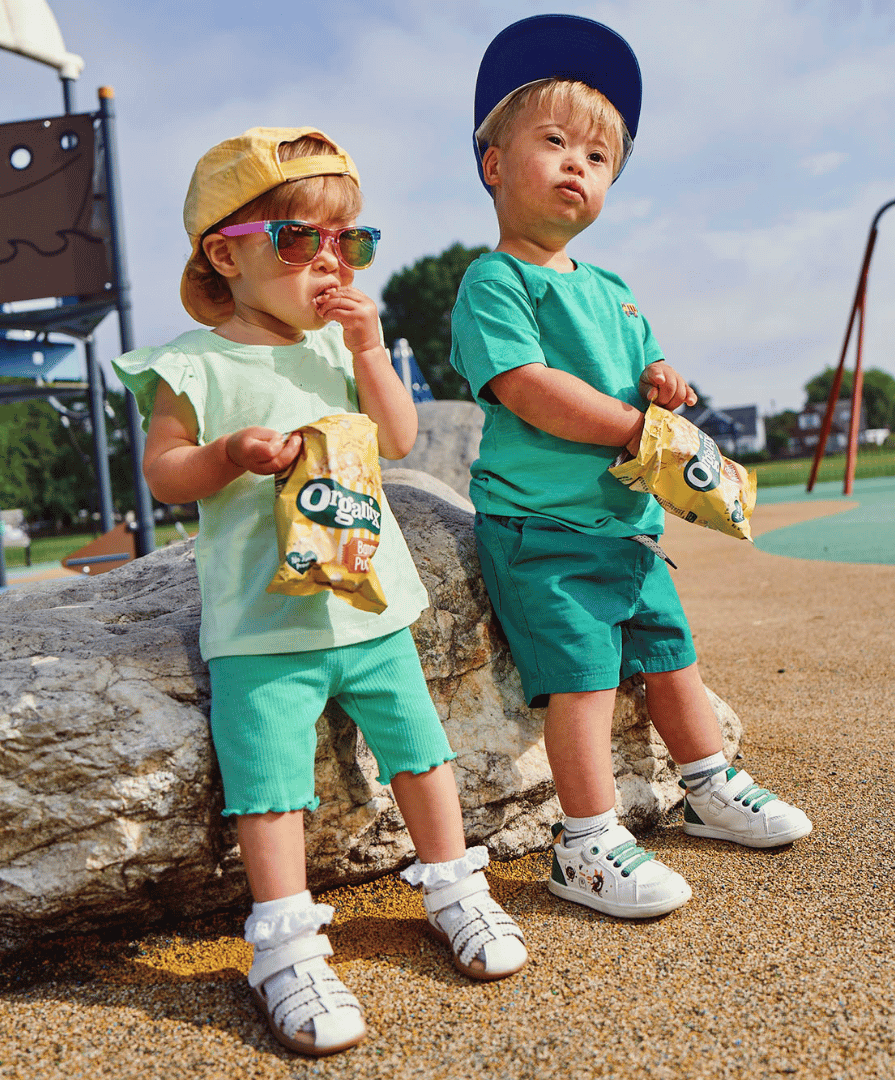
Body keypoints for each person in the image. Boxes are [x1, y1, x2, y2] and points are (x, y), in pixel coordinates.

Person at [113, 127, 525, 1058]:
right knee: (268, 785)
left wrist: (371, 347)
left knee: (421, 752)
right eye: (299, 240)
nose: (329, 261)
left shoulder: (337, 348)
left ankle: (456, 887)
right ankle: (285, 945)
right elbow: (166, 473)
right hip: (263, 624)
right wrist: (225, 455)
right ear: (227, 252)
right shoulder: (196, 365)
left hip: (371, 605)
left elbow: (396, 435)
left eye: (350, 242)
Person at [450, 16, 813, 921]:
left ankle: (708, 785)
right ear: (494, 163)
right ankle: (585, 843)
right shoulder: (496, 282)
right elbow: (529, 387)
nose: (579, 164)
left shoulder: (614, 291)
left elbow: (650, 385)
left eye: (600, 157)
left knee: (669, 656)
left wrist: (664, 385)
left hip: (625, 525)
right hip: (545, 528)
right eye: (555, 142)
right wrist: (632, 428)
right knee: (582, 678)